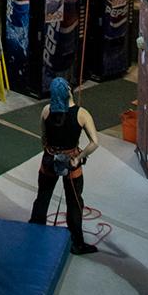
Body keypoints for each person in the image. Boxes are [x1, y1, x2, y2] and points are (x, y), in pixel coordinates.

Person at [29, 77, 100, 254]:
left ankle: (34, 233)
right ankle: (77, 243)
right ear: (68, 90)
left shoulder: (47, 111)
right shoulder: (81, 114)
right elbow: (94, 142)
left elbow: (43, 137)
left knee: (43, 197)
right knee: (75, 202)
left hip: (50, 159)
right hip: (71, 162)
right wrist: (79, 157)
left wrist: (50, 151)